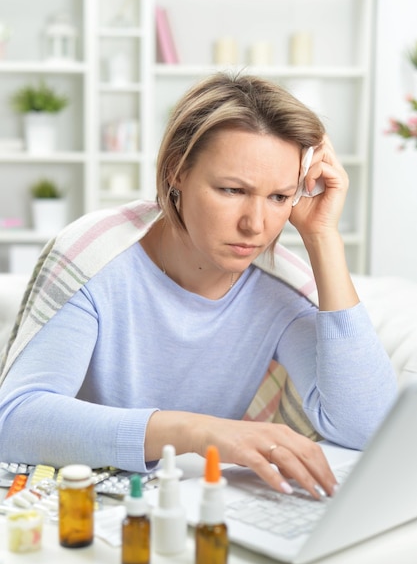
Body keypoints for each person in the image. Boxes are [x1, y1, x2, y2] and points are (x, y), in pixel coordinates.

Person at [0, 73, 396, 500]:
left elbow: (371, 428)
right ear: (177, 171)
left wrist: (323, 238)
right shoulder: (93, 258)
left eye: (279, 197)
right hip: (78, 507)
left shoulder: (282, 289)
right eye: (232, 190)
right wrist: (197, 431)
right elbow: (16, 421)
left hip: (197, 506)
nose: (255, 225)